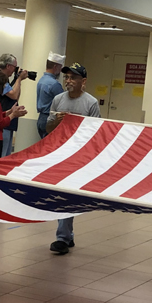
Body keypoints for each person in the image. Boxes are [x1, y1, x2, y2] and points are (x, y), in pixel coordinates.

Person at [46, 62, 101, 254]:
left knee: (68, 194)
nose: (68, 81)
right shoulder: (58, 99)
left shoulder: (91, 103)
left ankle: (63, 236)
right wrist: (57, 121)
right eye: (66, 77)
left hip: (79, 155)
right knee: (61, 193)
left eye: (73, 78)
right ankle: (65, 236)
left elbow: (95, 134)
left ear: (83, 81)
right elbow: (48, 130)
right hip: (59, 153)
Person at [0, 53, 28, 155]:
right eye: (14, 67)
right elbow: (14, 95)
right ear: (8, 66)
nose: (15, 70)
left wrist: (18, 80)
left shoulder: (5, 78)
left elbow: (16, 97)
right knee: (1, 154)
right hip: (1, 121)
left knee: (6, 154)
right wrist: (19, 79)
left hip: (7, 121)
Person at [36, 52, 66, 138]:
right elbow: (64, 101)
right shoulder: (54, 84)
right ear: (55, 67)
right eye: (60, 68)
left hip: (41, 118)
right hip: (50, 119)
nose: (60, 71)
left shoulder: (41, 80)